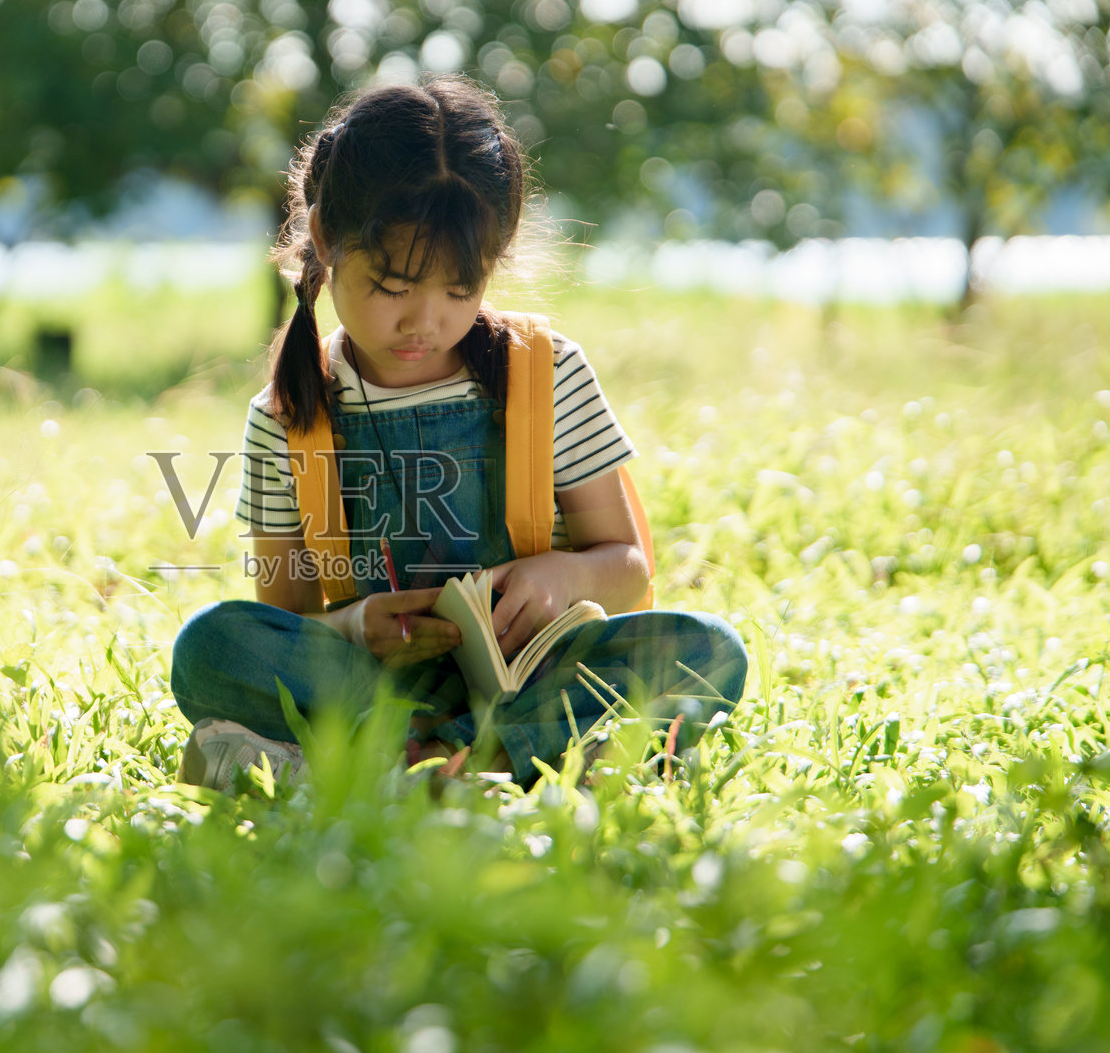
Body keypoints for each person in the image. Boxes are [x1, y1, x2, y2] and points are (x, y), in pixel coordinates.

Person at [170, 77, 747, 792]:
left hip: (529, 679)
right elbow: (284, 620)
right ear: (325, 238)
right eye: (392, 286)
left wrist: (564, 575)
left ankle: (413, 762)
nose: (424, 321)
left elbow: (627, 565)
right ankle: (472, 761)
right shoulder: (289, 414)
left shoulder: (546, 373)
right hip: (373, 686)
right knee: (208, 646)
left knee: (709, 651)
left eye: (457, 291)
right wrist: (355, 628)